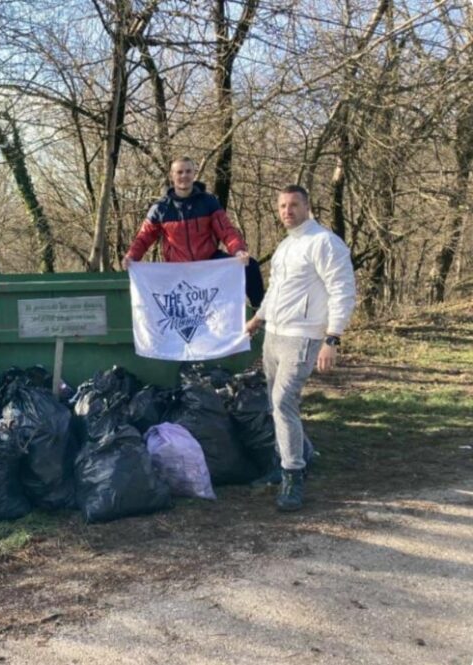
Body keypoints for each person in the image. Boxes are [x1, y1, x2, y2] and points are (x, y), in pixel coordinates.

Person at [245, 185, 356, 511]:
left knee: (283, 402)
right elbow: (276, 290)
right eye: (282, 206)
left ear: (307, 207)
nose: (287, 211)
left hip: (304, 337)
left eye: (294, 205)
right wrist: (258, 319)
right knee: (273, 404)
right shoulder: (284, 246)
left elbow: (342, 290)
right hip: (275, 336)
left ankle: (293, 476)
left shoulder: (324, 243)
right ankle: (289, 459)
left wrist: (332, 338)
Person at [121, 156, 265, 308]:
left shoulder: (208, 201)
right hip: (177, 268)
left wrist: (238, 250)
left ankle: (260, 316)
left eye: (188, 171)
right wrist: (131, 256)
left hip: (209, 262)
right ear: (172, 175)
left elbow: (227, 231)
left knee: (250, 266)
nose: (184, 176)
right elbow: (144, 237)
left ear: (194, 174)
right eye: (180, 172)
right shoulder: (160, 208)